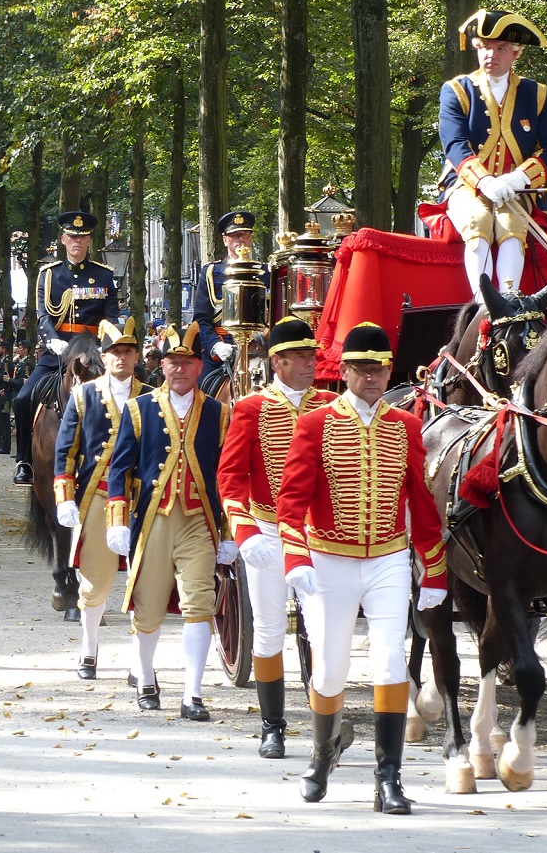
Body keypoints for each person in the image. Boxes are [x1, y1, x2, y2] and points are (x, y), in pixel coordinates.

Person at [277, 322, 448, 814]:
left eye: (379, 369)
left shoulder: (407, 426)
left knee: (390, 662)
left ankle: (388, 778)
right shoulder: (315, 425)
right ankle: (320, 753)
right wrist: (296, 557)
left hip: (389, 560)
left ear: (389, 369)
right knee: (330, 670)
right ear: (345, 371)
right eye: (362, 369)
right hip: (329, 559)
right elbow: (291, 501)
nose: (372, 378)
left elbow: (421, 499)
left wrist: (432, 567)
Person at [217, 317, 338, 758]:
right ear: (279, 362)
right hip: (267, 529)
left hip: (317, 534)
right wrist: (245, 531)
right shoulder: (250, 408)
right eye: (303, 358)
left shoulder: (330, 404)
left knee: (325, 629)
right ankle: (273, 726)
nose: (312, 364)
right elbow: (230, 478)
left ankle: (327, 730)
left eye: (312, 356)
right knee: (268, 630)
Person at [104, 322, 235, 719]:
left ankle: (193, 693)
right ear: (161, 366)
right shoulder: (137, 409)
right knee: (147, 607)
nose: (179, 369)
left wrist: (228, 531)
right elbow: (119, 470)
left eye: (187, 362)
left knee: (200, 604)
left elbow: (226, 476)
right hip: (153, 520)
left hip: (199, 520)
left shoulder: (218, 412)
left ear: (199, 367)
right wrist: (117, 519)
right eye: (172, 362)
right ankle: (146, 677)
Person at [53, 320, 150, 680]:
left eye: (127, 351)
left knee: (146, 582)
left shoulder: (152, 394)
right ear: (104, 358)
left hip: (142, 498)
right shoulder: (83, 395)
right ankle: (89, 647)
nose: (122, 358)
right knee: (94, 582)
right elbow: (65, 450)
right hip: (98, 493)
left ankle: (141, 660)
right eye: (115, 353)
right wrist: (64, 496)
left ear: (137, 356)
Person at [438, 9, 547, 299]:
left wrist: (518, 179)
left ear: (515, 53)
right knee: (479, 220)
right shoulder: (456, 90)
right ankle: (482, 301)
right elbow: (454, 144)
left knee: (511, 223)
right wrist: (486, 182)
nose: (491, 55)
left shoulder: (536, 94)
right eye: (485, 48)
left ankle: (509, 299)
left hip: (515, 190)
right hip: (466, 185)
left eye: (500, 48)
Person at [14, 211, 120, 486]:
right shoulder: (49, 275)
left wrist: (104, 347)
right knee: (23, 399)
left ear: (89, 241)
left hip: (93, 351)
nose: (77, 241)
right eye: (72, 236)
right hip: (57, 352)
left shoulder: (104, 275)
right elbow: (43, 317)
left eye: (82, 237)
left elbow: (111, 317)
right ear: (63, 239)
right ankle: (25, 460)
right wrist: (52, 341)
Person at [194, 210, 257, 378]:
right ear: (225, 240)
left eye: (244, 235)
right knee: (202, 393)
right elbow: (201, 319)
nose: (240, 240)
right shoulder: (211, 272)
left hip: (258, 347)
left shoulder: (265, 271)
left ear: (251, 238)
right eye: (234, 236)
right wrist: (215, 345)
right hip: (222, 348)